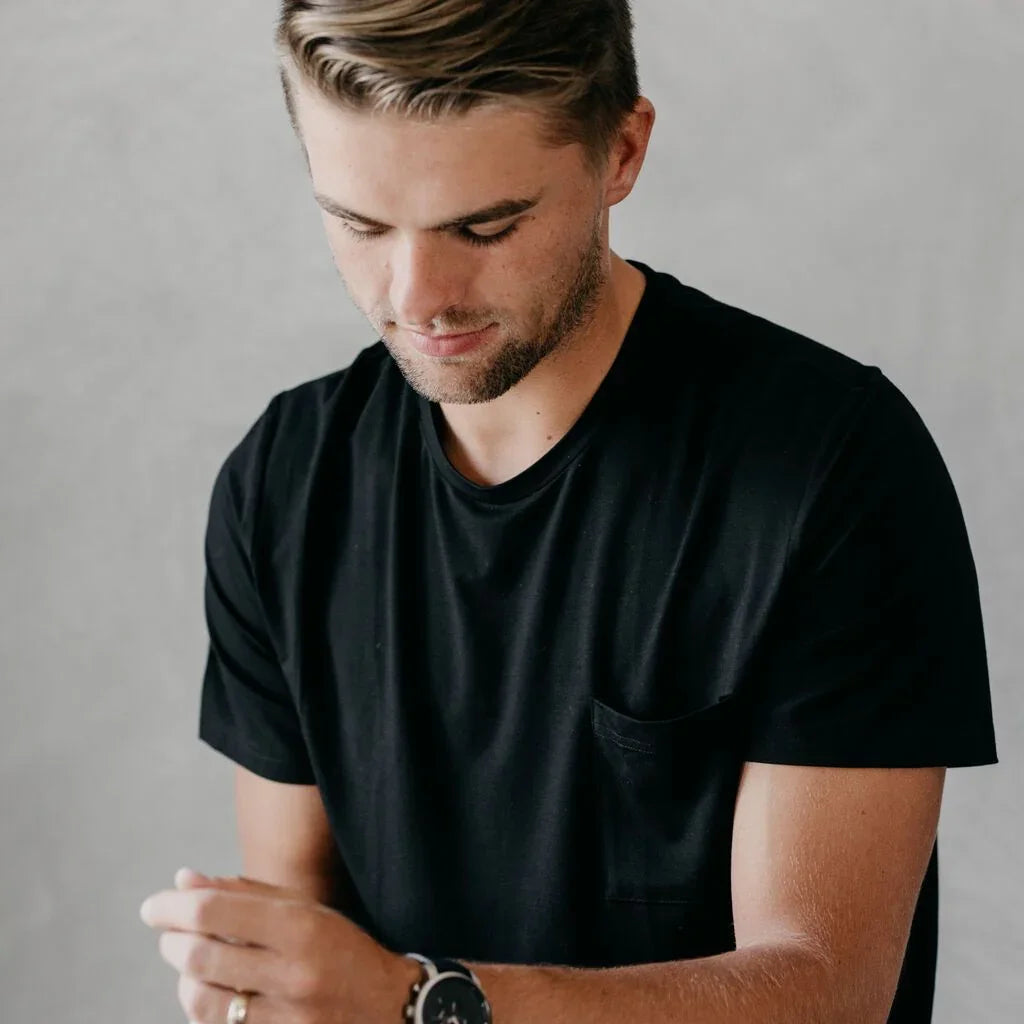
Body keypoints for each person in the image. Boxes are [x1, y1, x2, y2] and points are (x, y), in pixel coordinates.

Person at [138, 3, 998, 1023]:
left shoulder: (829, 467)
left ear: (621, 151)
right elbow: (298, 930)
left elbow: (827, 989)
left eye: (485, 226)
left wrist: (426, 1003)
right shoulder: (285, 480)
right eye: (361, 224)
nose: (419, 295)